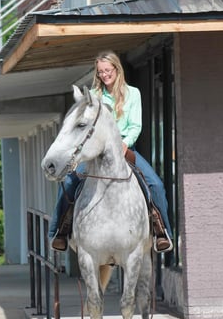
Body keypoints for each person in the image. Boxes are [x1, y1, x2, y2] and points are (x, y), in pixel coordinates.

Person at [48, 51, 173, 253]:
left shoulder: (133, 93)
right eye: (100, 72)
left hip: (124, 149)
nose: (105, 75)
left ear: (117, 69)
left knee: (156, 185)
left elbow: (135, 125)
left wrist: (125, 142)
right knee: (70, 181)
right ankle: (59, 231)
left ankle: (162, 232)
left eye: (108, 70)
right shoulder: (94, 96)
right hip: (96, 152)